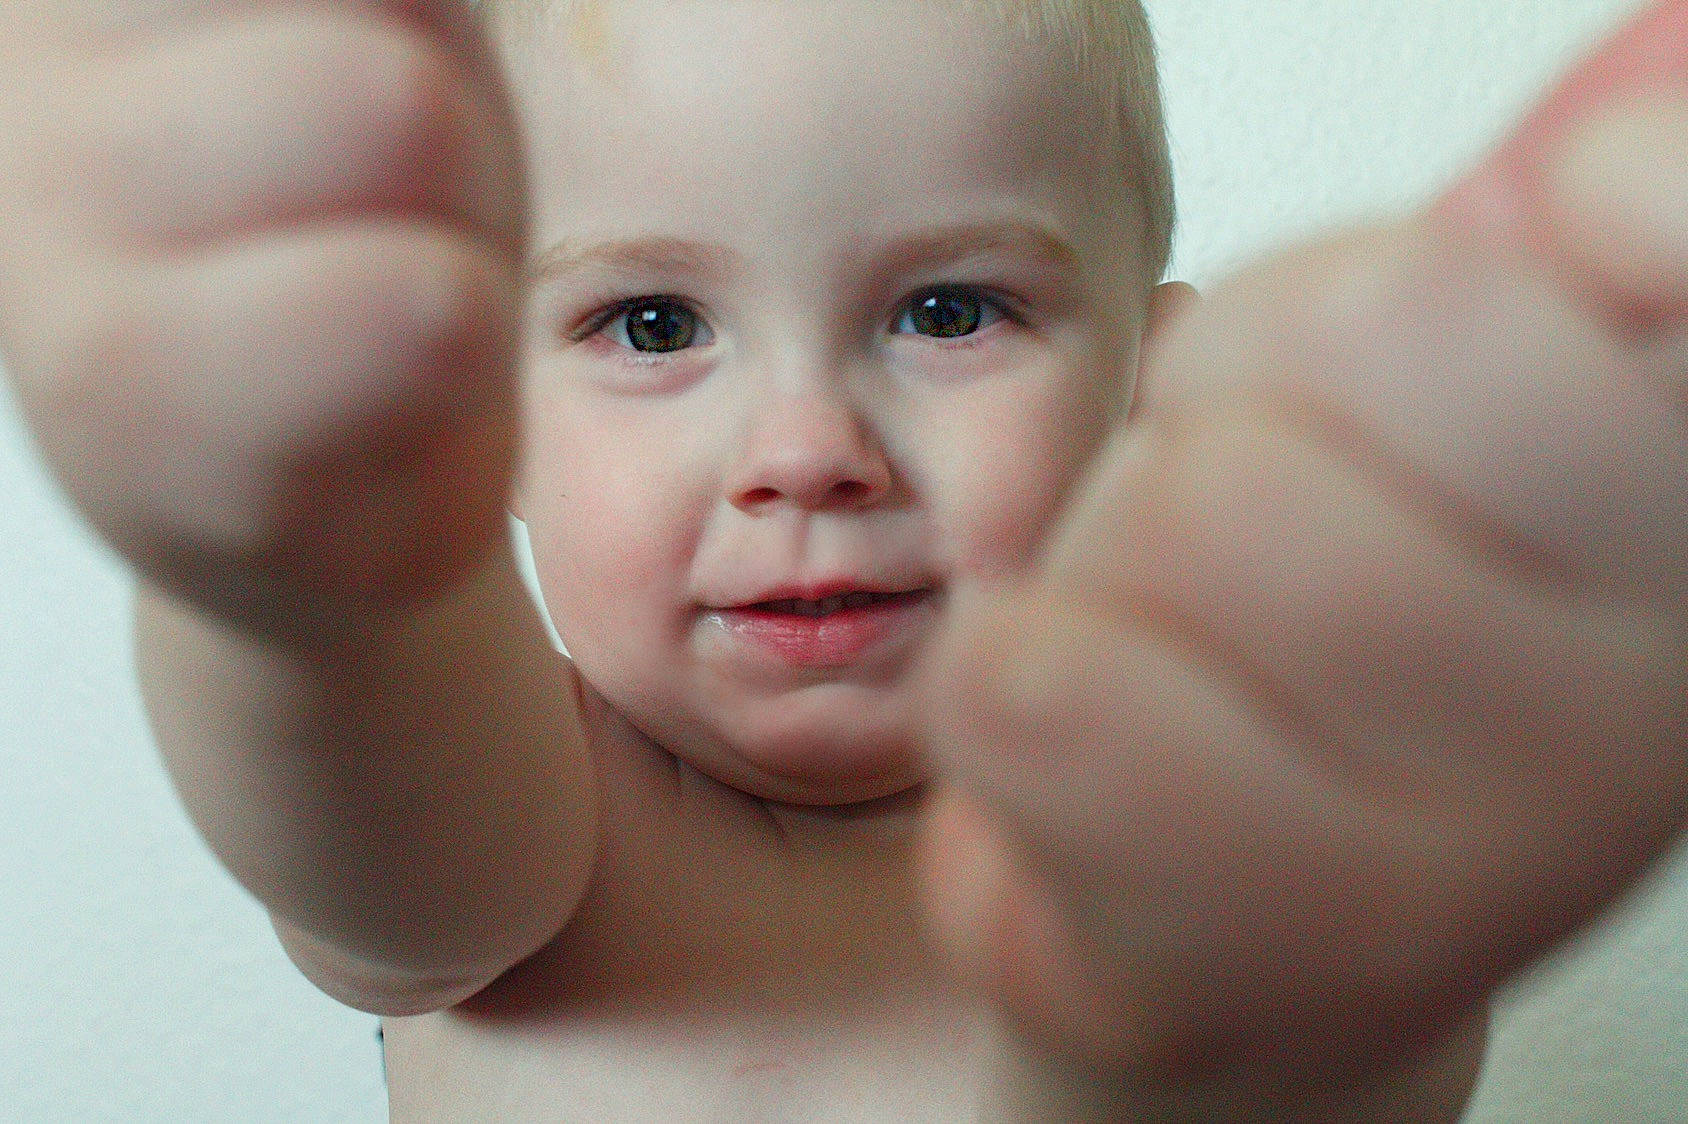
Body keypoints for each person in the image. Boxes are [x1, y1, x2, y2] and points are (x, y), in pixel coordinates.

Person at [0, 0, 1681, 1118]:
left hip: (1210, 946)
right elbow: (372, 782)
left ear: (1150, 384)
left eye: (950, 311)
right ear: (481, 426)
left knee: (1257, 917)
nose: (808, 447)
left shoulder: (1161, 829)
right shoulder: (524, 839)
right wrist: (295, 561)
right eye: (649, 323)